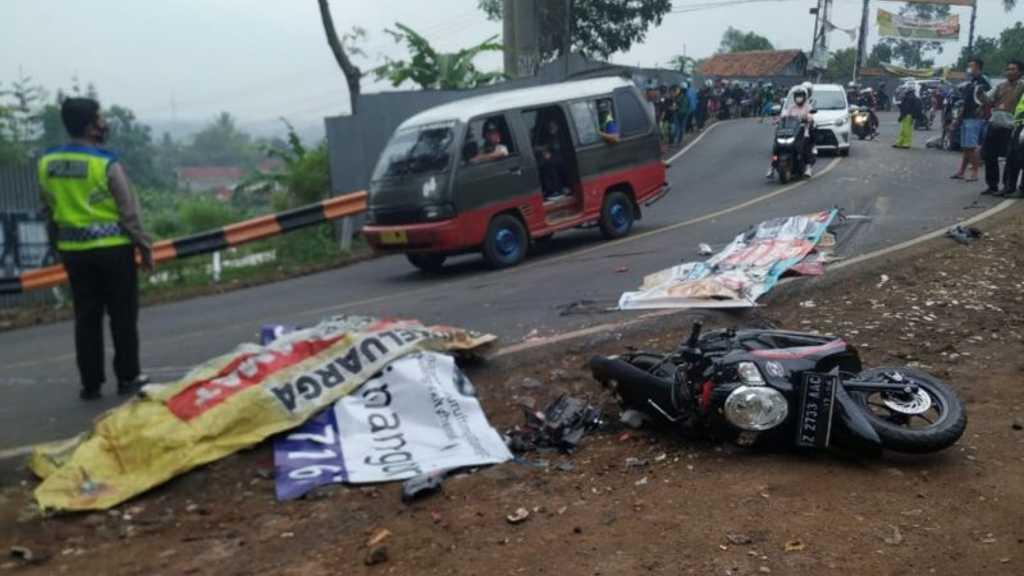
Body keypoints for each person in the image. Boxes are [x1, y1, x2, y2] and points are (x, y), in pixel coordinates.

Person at [37, 98, 153, 401]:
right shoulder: (105, 163)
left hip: (74, 253)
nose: (103, 124)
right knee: (122, 316)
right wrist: (144, 247)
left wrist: (56, 245)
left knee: (86, 317)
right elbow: (128, 212)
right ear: (91, 126)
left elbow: (48, 209)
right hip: (114, 252)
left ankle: (90, 384)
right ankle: (128, 377)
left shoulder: (47, 163)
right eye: (100, 119)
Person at [978, 60, 1024, 195]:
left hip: (1011, 127)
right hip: (995, 124)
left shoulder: (1022, 87)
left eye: (1013, 69)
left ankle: (1007, 186)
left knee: (1011, 159)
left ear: (1020, 72)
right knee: (989, 156)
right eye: (1008, 69)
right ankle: (992, 185)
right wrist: (980, 94)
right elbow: (988, 100)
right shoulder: (1000, 86)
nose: (1009, 72)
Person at [951, 57, 992, 182]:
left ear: (977, 67)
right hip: (966, 116)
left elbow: (988, 98)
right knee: (965, 147)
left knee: (970, 146)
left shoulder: (983, 81)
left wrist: (983, 110)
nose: (969, 68)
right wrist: (958, 118)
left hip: (975, 118)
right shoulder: (971, 81)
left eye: (971, 66)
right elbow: (966, 101)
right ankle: (961, 171)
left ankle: (975, 172)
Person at [766, 86, 815, 178]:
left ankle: (808, 167)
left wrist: (807, 118)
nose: (799, 98)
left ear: (804, 97)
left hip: (803, 131)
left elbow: (810, 116)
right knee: (776, 147)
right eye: (797, 96)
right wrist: (777, 120)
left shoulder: (808, 107)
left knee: (805, 148)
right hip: (791, 131)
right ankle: (772, 167)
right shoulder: (791, 107)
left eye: (800, 96)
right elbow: (784, 116)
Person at [536, 119, 569, 199]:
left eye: (552, 126)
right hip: (554, 157)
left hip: (563, 158)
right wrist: (544, 151)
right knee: (543, 165)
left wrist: (545, 150)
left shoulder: (561, 135)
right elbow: (548, 146)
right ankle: (550, 190)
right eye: (549, 127)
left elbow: (555, 146)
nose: (550, 128)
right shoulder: (548, 136)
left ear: (557, 126)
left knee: (549, 165)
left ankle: (557, 190)